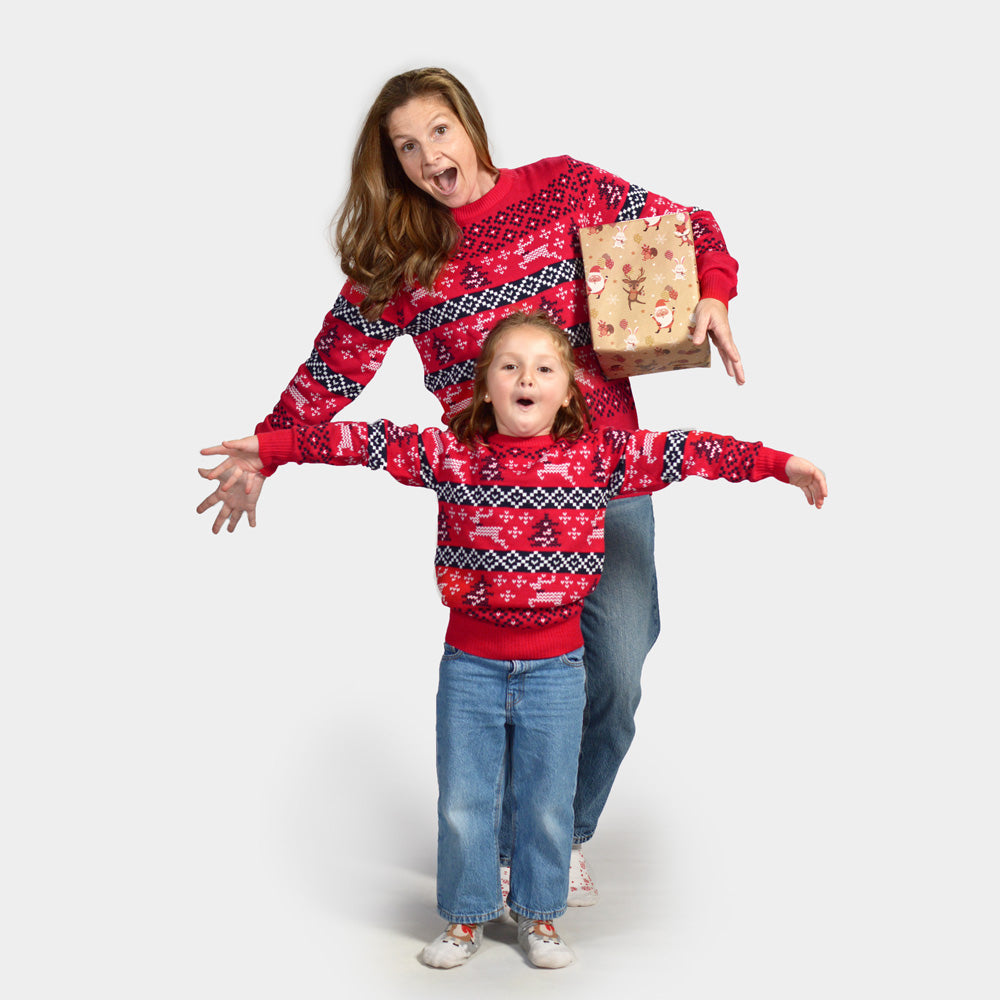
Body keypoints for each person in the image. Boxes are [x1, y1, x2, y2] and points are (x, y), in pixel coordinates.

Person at [197, 67, 746, 901]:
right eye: (406, 147)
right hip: (488, 500)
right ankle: (499, 848)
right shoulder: (405, 256)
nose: (427, 157)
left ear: (470, 127)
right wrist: (267, 448)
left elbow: (692, 227)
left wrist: (713, 295)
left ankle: (559, 830)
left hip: (606, 471)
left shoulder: (564, 190)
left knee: (620, 670)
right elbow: (333, 368)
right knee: (499, 683)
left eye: (438, 132)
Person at [200, 313, 827, 969]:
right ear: (485, 388)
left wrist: (779, 464)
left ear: (568, 392)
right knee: (466, 801)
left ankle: (540, 917)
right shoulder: (451, 456)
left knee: (548, 802)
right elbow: (364, 441)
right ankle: (467, 918)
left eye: (544, 368)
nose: (527, 377)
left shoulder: (598, 459)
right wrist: (272, 447)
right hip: (471, 667)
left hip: (558, 670)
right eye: (510, 366)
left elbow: (691, 451)